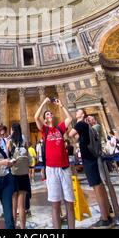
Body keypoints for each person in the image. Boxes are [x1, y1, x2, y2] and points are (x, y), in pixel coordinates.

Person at [35, 97, 75, 230]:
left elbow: (70, 118)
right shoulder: (45, 130)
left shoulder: (59, 129)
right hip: (51, 169)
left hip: (64, 168)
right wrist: (44, 103)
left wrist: (61, 105)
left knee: (69, 202)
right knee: (55, 204)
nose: (49, 115)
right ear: (45, 119)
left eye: (51, 113)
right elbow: (36, 117)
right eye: (47, 114)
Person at [70, 109, 113, 229]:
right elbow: (78, 138)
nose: (76, 113)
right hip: (92, 156)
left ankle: (104, 218)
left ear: (82, 114)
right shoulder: (86, 126)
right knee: (99, 185)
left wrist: (73, 127)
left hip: (88, 158)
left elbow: (70, 135)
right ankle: (107, 214)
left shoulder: (80, 124)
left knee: (96, 186)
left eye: (78, 112)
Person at [7, 123, 31, 230]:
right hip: (24, 175)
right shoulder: (24, 141)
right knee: (21, 206)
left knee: (14, 206)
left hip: (13, 174)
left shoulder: (10, 141)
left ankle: (13, 227)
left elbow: (7, 156)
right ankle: (23, 227)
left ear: (12, 130)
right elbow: (28, 156)